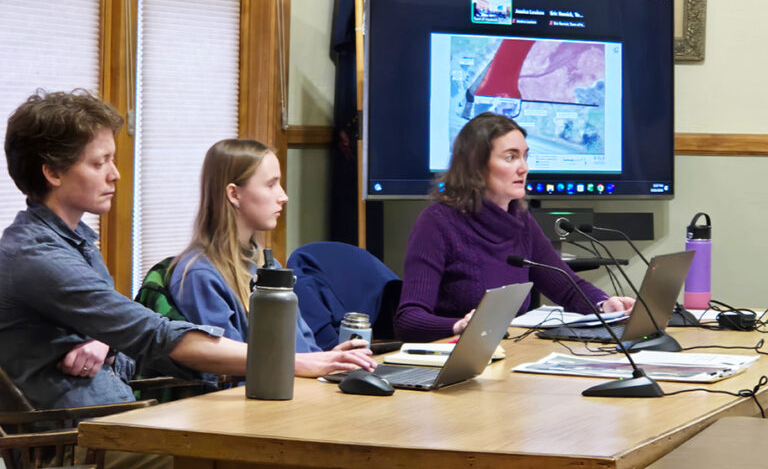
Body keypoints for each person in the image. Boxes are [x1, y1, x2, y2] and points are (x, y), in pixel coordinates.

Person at [0, 90, 373, 416]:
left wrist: (107, 340)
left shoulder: (76, 240)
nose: (114, 174)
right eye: (99, 163)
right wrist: (296, 363)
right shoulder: (37, 256)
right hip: (81, 442)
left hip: (119, 417)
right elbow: (155, 335)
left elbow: (130, 342)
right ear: (52, 173)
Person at [394, 112, 634, 342]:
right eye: (511, 157)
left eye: (525, 156)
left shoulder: (519, 219)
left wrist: (604, 305)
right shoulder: (437, 222)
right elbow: (408, 320)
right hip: (456, 358)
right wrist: (459, 326)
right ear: (476, 166)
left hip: (508, 352)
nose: (524, 168)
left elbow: (567, 288)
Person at [168, 138, 376, 376]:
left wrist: (334, 359)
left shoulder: (268, 267)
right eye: (271, 185)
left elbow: (301, 352)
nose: (283, 196)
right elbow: (228, 371)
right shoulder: (199, 275)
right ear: (234, 194)